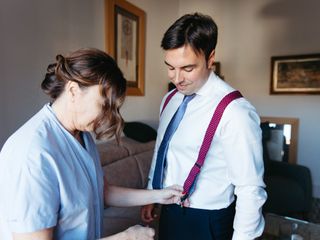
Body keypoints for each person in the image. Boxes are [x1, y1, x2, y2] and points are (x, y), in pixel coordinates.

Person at [0, 48, 184, 240]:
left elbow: (102, 192)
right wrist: (126, 237)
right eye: (104, 106)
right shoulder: (34, 154)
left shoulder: (82, 135)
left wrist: (158, 195)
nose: (108, 117)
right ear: (73, 90)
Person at [141, 13, 267, 240]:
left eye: (187, 68)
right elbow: (163, 151)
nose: (177, 78)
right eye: (170, 67)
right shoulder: (170, 99)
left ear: (210, 59)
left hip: (207, 220)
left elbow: (250, 188)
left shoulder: (235, 111)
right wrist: (152, 194)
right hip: (168, 210)